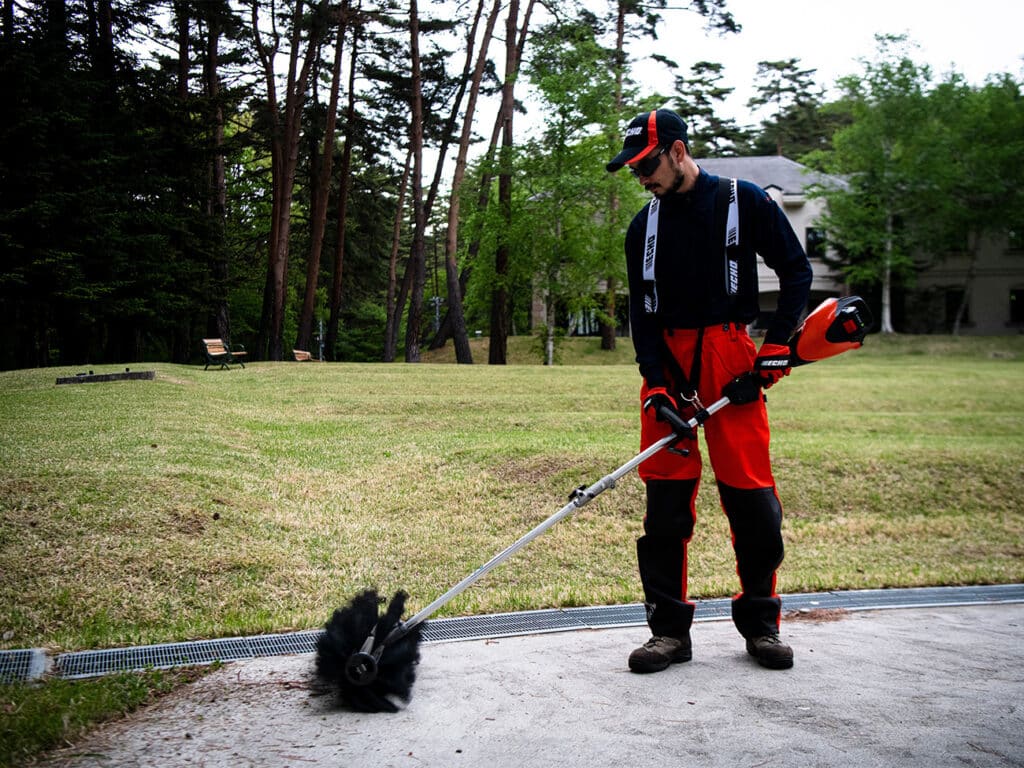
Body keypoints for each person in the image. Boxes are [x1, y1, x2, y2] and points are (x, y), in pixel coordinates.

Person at [606, 108, 813, 673]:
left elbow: (796, 273)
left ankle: (762, 625)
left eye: (647, 164)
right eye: (633, 170)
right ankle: (668, 633)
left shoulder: (744, 201)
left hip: (731, 355)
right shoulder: (641, 228)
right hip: (668, 364)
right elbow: (642, 320)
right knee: (665, 508)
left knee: (751, 500)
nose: (640, 176)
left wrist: (774, 347)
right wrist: (656, 387)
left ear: (677, 151)